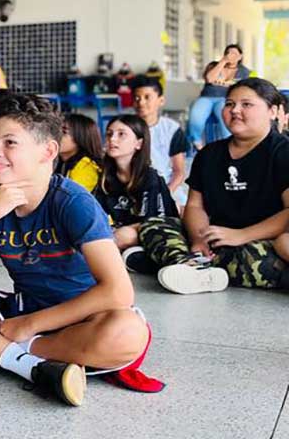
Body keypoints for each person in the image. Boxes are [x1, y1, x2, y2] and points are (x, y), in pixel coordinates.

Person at [0, 93, 155, 407]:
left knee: (128, 333)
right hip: (24, 308)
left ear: (48, 150)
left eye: (9, 143)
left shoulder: (72, 202)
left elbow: (119, 294)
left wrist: (30, 327)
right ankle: (25, 363)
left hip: (81, 318)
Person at [136, 78, 289, 295]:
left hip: (261, 240)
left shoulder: (282, 152)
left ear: (272, 111)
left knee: (257, 258)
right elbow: (195, 206)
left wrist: (241, 235)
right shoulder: (209, 154)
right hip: (216, 235)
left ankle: (184, 267)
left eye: (246, 104)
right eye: (229, 104)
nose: (235, 110)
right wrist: (199, 239)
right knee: (155, 225)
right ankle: (194, 267)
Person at [95, 115, 178, 262]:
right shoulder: (105, 177)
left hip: (158, 231)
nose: (112, 139)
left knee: (125, 235)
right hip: (121, 232)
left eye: (121, 134)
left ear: (138, 143)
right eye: (109, 134)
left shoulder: (150, 177)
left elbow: (151, 221)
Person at [132, 81, 189, 205]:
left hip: (167, 186)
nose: (141, 102)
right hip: (134, 187)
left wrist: (165, 193)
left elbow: (178, 171)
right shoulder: (126, 128)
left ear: (161, 100)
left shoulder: (171, 129)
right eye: (137, 98)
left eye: (147, 97)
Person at [187, 44, 252, 149]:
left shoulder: (243, 71)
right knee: (196, 116)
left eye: (234, 53)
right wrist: (223, 61)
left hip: (226, 99)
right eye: (228, 53)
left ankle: (228, 145)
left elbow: (242, 86)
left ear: (240, 56)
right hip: (207, 97)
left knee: (226, 117)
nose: (231, 55)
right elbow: (209, 79)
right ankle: (196, 142)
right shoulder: (214, 65)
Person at [57, 113, 103, 192]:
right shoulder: (59, 161)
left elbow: (69, 198)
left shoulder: (87, 166)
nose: (56, 135)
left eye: (64, 132)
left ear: (81, 137)